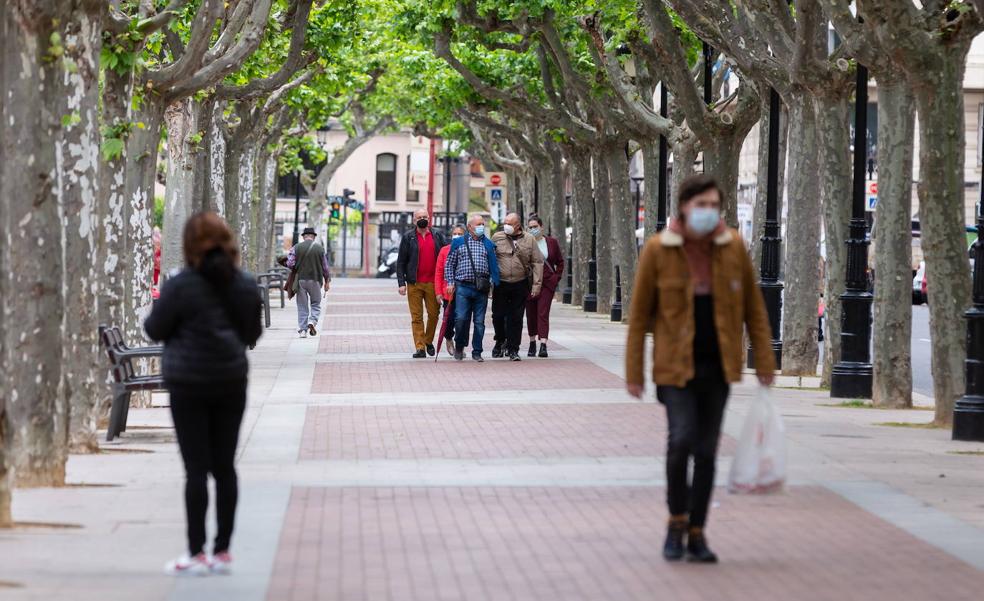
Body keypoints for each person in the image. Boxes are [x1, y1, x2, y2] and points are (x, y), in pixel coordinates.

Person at [624, 175, 775, 564]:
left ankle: (698, 531)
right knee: (681, 442)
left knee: (706, 452)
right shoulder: (659, 249)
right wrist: (634, 372)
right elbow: (639, 316)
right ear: (685, 206)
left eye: (714, 205)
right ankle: (676, 520)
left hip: (718, 365)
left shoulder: (733, 248)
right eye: (701, 205)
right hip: (674, 367)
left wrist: (765, 360)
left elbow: (753, 308)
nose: (708, 212)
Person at [144, 212, 263, 576]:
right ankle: (222, 550)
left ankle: (195, 553)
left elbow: (154, 328)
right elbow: (251, 335)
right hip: (230, 379)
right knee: (225, 467)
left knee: (195, 469)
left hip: (187, 383)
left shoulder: (181, 284)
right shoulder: (244, 284)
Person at [444, 215, 500, 361]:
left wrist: (493, 285)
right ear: (469, 227)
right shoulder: (459, 243)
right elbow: (449, 264)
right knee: (461, 319)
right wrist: (450, 282)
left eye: (483, 224)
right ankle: (460, 345)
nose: (481, 226)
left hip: (481, 289)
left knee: (479, 322)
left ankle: (477, 352)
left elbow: (493, 267)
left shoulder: (488, 244)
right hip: (462, 287)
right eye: (478, 224)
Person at [490, 212, 543, 361]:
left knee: (516, 318)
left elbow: (537, 262)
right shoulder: (497, 237)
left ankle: (513, 349)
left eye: (510, 223)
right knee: (498, 316)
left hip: (520, 283)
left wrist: (536, 286)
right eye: (505, 222)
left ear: (518, 225)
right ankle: (500, 340)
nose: (506, 226)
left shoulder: (529, 239)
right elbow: (489, 259)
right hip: (501, 283)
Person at [396, 209, 447, 358]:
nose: (422, 219)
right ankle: (420, 347)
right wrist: (401, 283)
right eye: (419, 217)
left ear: (429, 219)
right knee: (416, 317)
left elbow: (445, 257)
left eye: (425, 217)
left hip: (434, 283)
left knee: (434, 314)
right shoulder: (408, 237)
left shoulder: (438, 235)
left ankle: (428, 340)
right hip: (414, 283)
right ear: (414, 220)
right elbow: (401, 262)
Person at [524, 214, 564, 357]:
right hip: (529, 283)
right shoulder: (526, 242)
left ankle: (543, 344)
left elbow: (560, 261)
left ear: (541, 227)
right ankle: (532, 342)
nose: (533, 229)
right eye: (530, 227)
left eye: (535, 226)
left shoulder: (552, 242)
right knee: (531, 314)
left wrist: (556, 278)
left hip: (547, 283)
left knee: (543, 313)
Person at [287, 227, 331, 338]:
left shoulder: (296, 247)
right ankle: (312, 321)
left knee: (302, 305)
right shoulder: (320, 249)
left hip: (301, 280)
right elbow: (325, 268)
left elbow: (290, 264)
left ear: (303, 236)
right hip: (316, 280)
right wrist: (327, 281)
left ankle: (303, 330)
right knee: (316, 303)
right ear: (314, 237)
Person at [435, 224, 466, 356]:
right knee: (449, 319)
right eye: (455, 233)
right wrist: (438, 292)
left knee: (462, 319)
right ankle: (449, 338)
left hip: (464, 291)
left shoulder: (468, 249)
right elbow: (439, 272)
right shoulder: (444, 250)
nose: (457, 236)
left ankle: (460, 346)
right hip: (448, 292)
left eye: (460, 234)